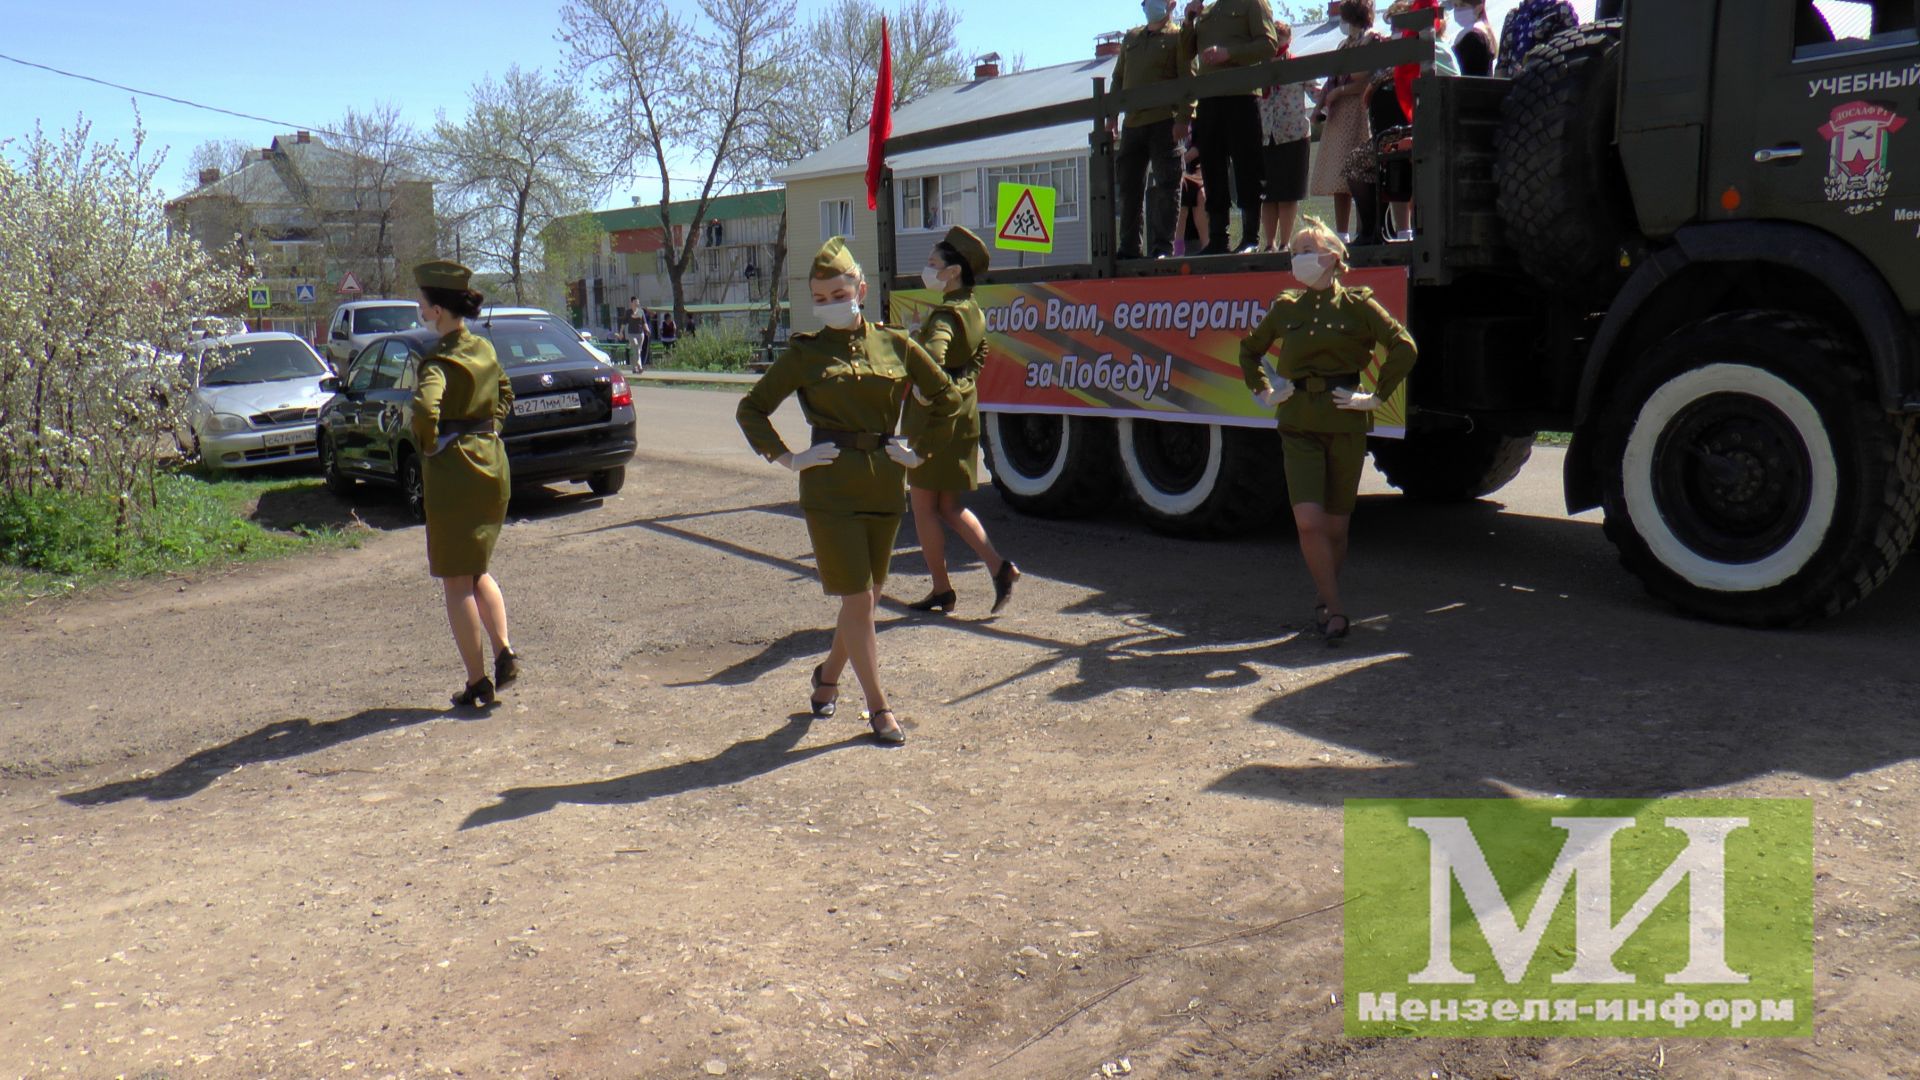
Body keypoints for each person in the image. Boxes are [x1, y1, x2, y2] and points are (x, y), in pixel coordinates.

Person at [735, 238, 961, 746]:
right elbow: (751, 409)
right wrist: (788, 457)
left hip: (884, 485)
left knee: (867, 599)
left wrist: (920, 450)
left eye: (840, 293)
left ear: (860, 289)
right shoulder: (805, 354)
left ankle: (827, 678)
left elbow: (948, 397)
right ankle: (879, 708)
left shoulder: (896, 344)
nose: (832, 304)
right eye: (822, 297)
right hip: (830, 489)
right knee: (859, 598)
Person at [1236, 219, 1416, 639]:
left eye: (1306, 250)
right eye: (1294, 251)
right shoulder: (1286, 307)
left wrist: (1374, 397)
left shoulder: (1357, 306)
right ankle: (1335, 608)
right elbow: (1249, 352)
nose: (1298, 258)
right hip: (1298, 422)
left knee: (1336, 528)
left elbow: (1404, 347)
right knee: (1308, 522)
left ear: (1332, 258)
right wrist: (1263, 393)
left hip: (1344, 422)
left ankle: (1323, 596)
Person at [408, 260, 520, 707]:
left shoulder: (438, 361)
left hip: (456, 476)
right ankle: (504, 653)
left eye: (422, 301)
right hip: (493, 467)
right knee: (477, 572)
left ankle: (478, 683)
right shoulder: (484, 350)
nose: (419, 306)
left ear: (437, 310)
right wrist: (485, 429)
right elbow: (506, 395)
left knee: (457, 582)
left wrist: (432, 445)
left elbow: (423, 413)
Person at [901, 227, 1022, 615]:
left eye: (934, 263)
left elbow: (932, 362)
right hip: (962, 418)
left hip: (936, 424)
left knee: (923, 506)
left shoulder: (943, 317)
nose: (928, 269)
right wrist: (959, 386)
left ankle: (942, 589)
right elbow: (978, 357)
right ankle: (1000, 567)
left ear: (953, 272)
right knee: (949, 506)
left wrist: (921, 386)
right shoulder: (972, 309)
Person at [1180, 0, 1280, 254]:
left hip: (1242, 96)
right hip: (1209, 99)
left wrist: (1230, 53)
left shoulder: (1253, 3)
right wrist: (1189, 19)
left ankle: (1249, 238)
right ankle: (1218, 238)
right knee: (1212, 168)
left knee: (1247, 166)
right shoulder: (1207, 10)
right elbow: (1185, 52)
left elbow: (1269, 44)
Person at [1112, 0, 1197, 260]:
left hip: (1165, 122)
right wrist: (1110, 116)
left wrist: (1184, 117)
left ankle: (1162, 247)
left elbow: (1189, 77)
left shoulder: (1177, 37)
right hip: (1132, 124)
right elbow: (1118, 78)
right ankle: (1129, 248)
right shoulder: (1131, 37)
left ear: (1171, 4)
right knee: (1129, 188)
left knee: (1168, 186)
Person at [1309, 1, 1384, 239]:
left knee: (1362, 172)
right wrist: (1318, 107)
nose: (1342, 23)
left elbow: (1369, 80)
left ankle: (1366, 230)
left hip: (1361, 111)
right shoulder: (1343, 44)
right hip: (1339, 115)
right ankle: (1342, 235)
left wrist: (1340, 92)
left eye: (1345, 17)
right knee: (1339, 175)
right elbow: (1332, 78)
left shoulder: (1373, 40)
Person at [1256, 20, 1315, 252]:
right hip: (1264, 135)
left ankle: (1284, 243)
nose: (1277, 41)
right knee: (1268, 195)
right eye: (1273, 36)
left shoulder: (1297, 65)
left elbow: (1315, 90)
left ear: (1288, 40)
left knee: (1288, 192)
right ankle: (1269, 244)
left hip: (1293, 135)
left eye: (1281, 37)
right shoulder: (1258, 68)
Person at [1495, 0, 1577, 78]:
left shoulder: (1560, 8)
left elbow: (1574, 53)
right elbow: (1502, 64)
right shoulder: (1512, 16)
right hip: (1516, 88)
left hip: (1549, 83)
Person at [1176, 141, 1208, 256]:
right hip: (1182, 174)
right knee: (1181, 191)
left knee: (1200, 195)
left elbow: (1200, 145)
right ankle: (1178, 251)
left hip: (1202, 173)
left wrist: (1178, 162)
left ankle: (1206, 246)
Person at [1450, 0, 1496, 76]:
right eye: (1455, 6)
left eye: (1462, 5)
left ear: (1479, 8)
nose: (1458, 10)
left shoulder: (1474, 37)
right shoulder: (1479, 31)